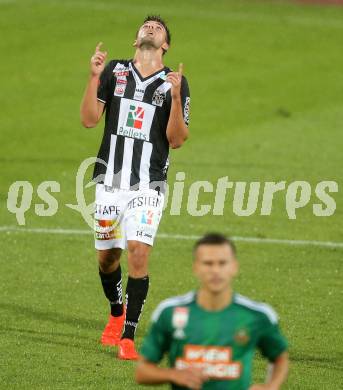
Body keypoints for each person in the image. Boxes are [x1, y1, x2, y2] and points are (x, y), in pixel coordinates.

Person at [80, 15, 190, 360]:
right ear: (136, 40)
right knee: (107, 256)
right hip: (110, 182)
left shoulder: (174, 82)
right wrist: (94, 76)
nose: (151, 28)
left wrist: (174, 97)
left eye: (158, 28)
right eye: (147, 26)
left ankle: (128, 338)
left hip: (148, 184)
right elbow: (88, 119)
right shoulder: (114, 72)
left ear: (165, 45)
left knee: (138, 253)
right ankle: (116, 312)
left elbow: (176, 140)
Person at [136, 233, 289, 389]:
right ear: (196, 267)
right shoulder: (170, 312)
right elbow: (142, 371)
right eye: (208, 263)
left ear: (234, 267)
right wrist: (173, 374)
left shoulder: (257, 315)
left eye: (222, 263)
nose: (215, 270)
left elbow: (279, 357)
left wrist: (271, 386)